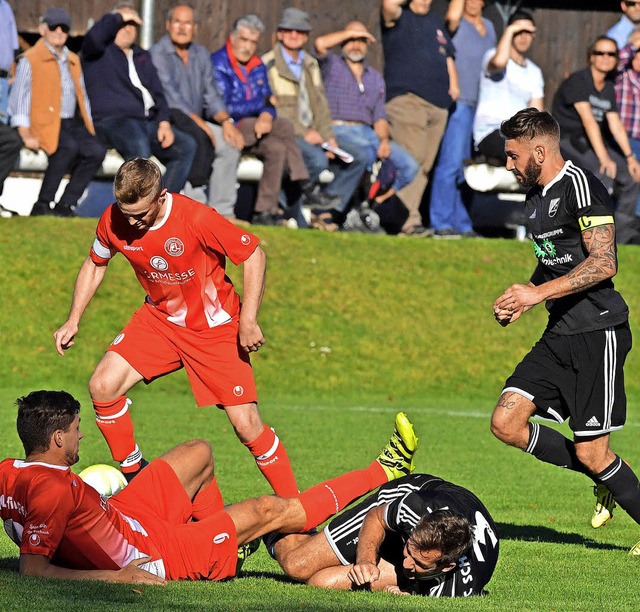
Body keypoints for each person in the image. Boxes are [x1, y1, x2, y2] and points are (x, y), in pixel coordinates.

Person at [52, 157, 296, 491]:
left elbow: (254, 255)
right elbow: (95, 264)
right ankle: (137, 476)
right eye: (126, 214)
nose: (133, 222)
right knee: (103, 386)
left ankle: (296, 510)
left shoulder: (196, 217)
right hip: (160, 322)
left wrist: (249, 321)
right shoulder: (113, 220)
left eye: (141, 214)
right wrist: (72, 320)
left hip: (215, 328)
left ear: (161, 196)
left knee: (246, 425)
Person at [0, 390, 419, 583]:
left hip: (127, 516)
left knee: (197, 451)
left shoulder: (9, 470)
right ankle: (384, 470)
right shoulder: (51, 491)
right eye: (76, 430)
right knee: (268, 509)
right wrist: (120, 579)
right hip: (155, 551)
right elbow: (34, 570)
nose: (81, 437)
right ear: (57, 440)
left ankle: (226, 545)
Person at [491, 108, 640, 552]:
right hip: (560, 332)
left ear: (540, 151)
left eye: (514, 156)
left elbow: (604, 262)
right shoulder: (535, 196)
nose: (509, 165)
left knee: (594, 451)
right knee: (506, 422)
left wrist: (536, 295)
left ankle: (611, 477)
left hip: (599, 331)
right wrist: (526, 296)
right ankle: (608, 476)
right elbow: (553, 256)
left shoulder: (582, 186)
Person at [270, 472, 498, 597]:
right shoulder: (412, 508)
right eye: (408, 551)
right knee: (297, 564)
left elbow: (421, 594)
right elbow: (377, 518)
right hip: (407, 497)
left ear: (447, 566)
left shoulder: (458, 588)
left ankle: (303, 532)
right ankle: (275, 518)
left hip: (437, 538)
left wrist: (409, 593)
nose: (407, 564)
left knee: (323, 582)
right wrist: (365, 561)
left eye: (419, 563)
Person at [262, 8, 368, 230]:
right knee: (317, 160)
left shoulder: (310, 64)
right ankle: (285, 208)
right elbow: (277, 111)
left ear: (306, 36)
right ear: (280, 33)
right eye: (289, 30)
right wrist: (306, 134)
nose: (294, 35)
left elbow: (320, 105)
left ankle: (324, 210)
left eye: (300, 32)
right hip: (288, 133)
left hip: (316, 132)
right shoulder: (268, 64)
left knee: (359, 156)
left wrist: (329, 137)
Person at [211, 15, 317, 226]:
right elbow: (225, 105)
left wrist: (267, 114)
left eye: (253, 42)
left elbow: (269, 101)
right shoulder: (218, 63)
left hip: (257, 126)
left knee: (276, 148)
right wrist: (262, 109)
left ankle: (264, 212)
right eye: (244, 40)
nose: (248, 47)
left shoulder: (257, 65)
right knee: (285, 125)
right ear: (232, 38)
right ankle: (305, 183)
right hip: (232, 124)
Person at [81, 2, 197, 194]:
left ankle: (161, 203)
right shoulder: (98, 52)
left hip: (147, 121)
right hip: (114, 119)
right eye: (122, 24)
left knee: (186, 145)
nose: (127, 29)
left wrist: (164, 122)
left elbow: (159, 93)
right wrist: (118, 16)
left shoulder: (142, 55)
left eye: (132, 25)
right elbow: (94, 36)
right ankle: (133, 208)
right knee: (139, 149)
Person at [8, 7, 107, 217]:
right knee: (66, 148)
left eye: (64, 28)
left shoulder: (72, 59)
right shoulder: (31, 59)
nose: (59, 31)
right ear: (43, 29)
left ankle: (65, 205)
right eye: (54, 27)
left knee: (96, 150)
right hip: (43, 122)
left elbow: (83, 97)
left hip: (70, 121)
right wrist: (24, 131)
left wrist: (89, 127)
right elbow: (19, 98)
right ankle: (42, 204)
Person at [149, 4, 244, 220]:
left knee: (229, 143)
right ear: (168, 25)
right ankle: (197, 213)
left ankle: (223, 213)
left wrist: (227, 122)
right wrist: (201, 124)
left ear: (195, 27)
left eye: (188, 23)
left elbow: (211, 94)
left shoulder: (200, 54)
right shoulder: (158, 53)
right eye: (177, 22)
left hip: (197, 120)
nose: (182, 28)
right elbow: (170, 97)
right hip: (168, 119)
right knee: (198, 141)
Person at [313, 21, 419, 209]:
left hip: (367, 132)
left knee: (409, 166)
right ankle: (333, 208)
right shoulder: (333, 65)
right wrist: (349, 32)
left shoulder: (375, 77)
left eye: (361, 40)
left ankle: (371, 202)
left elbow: (379, 116)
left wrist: (384, 140)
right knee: (366, 157)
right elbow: (320, 44)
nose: (356, 45)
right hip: (338, 129)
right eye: (351, 40)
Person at [380, 0, 459, 236]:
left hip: (438, 105)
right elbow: (389, 4)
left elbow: (448, 56)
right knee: (411, 161)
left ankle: (406, 219)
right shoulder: (398, 17)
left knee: (424, 166)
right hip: (407, 100)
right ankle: (404, 220)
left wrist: (454, 84)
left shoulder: (436, 23)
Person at [552, 36, 640, 245]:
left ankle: (622, 236)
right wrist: (604, 159)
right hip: (567, 140)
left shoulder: (608, 86)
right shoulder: (579, 81)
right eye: (600, 53)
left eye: (611, 54)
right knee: (601, 175)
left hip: (591, 142)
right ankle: (587, 235)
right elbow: (589, 121)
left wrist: (630, 158)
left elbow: (615, 123)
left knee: (631, 177)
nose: (605, 58)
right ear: (591, 57)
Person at [428, 0, 496, 238]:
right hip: (461, 103)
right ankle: (441, 222)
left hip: (483, 107)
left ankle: (463, 224)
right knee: (450, 163)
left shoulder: (489, 26)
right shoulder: (456, 24)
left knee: (468, 168)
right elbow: (453, 16)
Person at [473, 10, 543, 166]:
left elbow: (535, 113)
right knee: (525, 157)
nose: (523, 37)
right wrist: (511, 29)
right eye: (519, 32)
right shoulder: (492, 56)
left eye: (528, 32)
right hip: (491, 131)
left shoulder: (535, 72)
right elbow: (499, 63)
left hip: (520, 136)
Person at [615, 31, 640, 220]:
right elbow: (621, 57)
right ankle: (626, 226)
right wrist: (634, 42)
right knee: (630, 181)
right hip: (624, 141)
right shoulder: (622, 75)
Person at [0, 0, 19, 124]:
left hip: (4, 78)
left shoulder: (5, 7)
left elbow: (14, 45)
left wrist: (13, 72)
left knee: (3, 121)